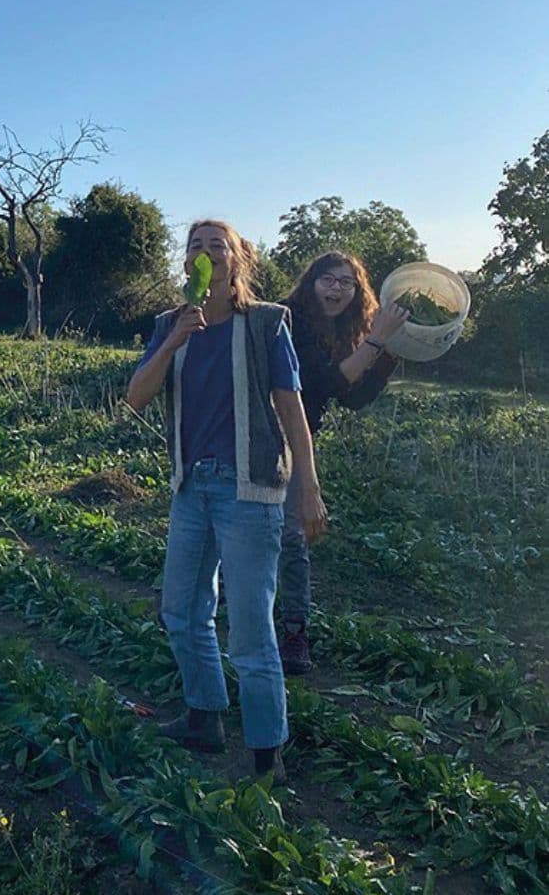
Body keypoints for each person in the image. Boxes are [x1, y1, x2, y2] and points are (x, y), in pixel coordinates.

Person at [126, 220, 327, 781]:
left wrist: (307, 486)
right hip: (191, 489)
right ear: (186, 264)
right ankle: (205, 717)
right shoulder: (170, 324)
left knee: (250, 629)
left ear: (237, 261)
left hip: (251, 492)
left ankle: (267, 756)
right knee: (181, 612)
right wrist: (173, 340)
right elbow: (136, 398)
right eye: (196, 246)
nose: (206, 254)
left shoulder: (265, 323)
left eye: (219, 246)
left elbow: (291, 409)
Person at [275, 251, 409, 673]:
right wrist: (375, 341)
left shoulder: (343, 330)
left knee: (291, 537)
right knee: (261, 530)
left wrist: (386, 353)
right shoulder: (288, 322)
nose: (336, 289)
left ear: (357, 292)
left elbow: (350, 398)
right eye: (327, 280)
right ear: (310, 283)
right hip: (258, 435)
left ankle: (294, 631)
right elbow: (324, 381)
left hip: (300, 441)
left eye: (346, 283)